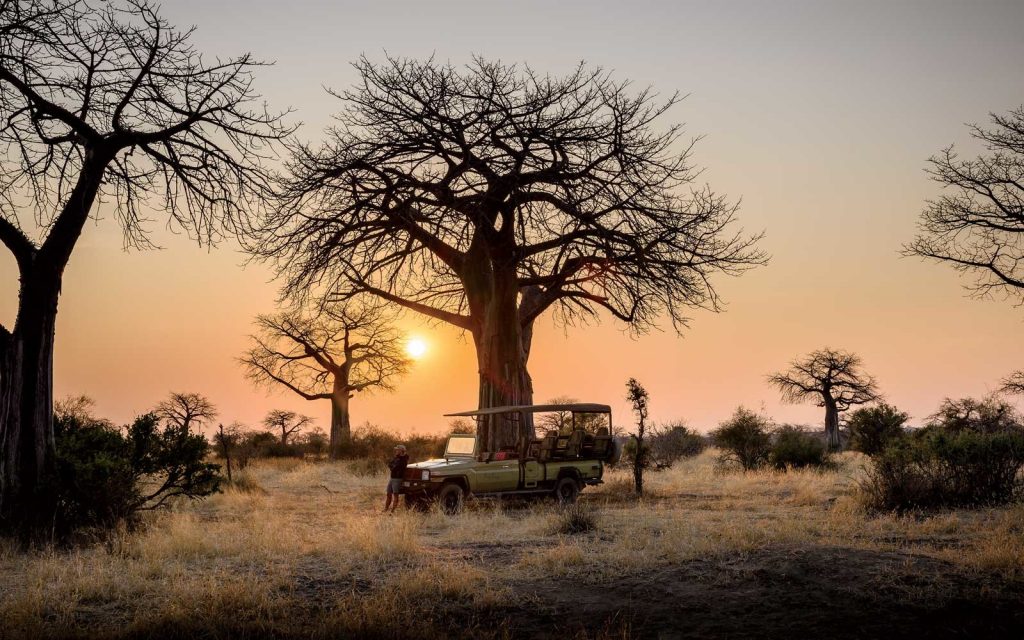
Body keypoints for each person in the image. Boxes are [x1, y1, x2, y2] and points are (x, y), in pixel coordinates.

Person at [384, 444, 409, 513]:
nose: (396, 451)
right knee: (388, 493)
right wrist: (393, 467)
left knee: (395, 495)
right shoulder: (396, 457)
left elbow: (396, 468)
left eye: (397, 450)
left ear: (401, 451)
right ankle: (386, 508)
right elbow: (390, 464)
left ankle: (393, 510)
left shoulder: (404, 459)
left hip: (397, 479)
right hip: (392, 478)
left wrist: (393, 467)